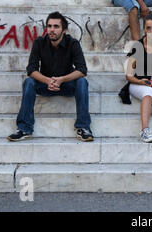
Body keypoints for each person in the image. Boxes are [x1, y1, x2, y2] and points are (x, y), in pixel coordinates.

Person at [7, 11, 94, 142]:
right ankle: (24, 128)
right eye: (49, 26)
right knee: (29, 82)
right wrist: (47, 80)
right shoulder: (39, 42)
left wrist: (61, 80)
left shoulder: (73, 43)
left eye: (56, 26)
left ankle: (83, 127)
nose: (51, 30)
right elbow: (31, 69)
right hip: (45, 84)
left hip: (66, 85)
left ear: (64, 30)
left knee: (82, 82)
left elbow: (82, 70)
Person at [122, 12, 152, 143]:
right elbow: (128, 75)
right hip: (138, 83)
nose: (151, 31)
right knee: (148, 91)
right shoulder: (137, 46)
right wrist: (140, 81)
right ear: (144, 29)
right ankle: (145, 131)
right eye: (148, 28)